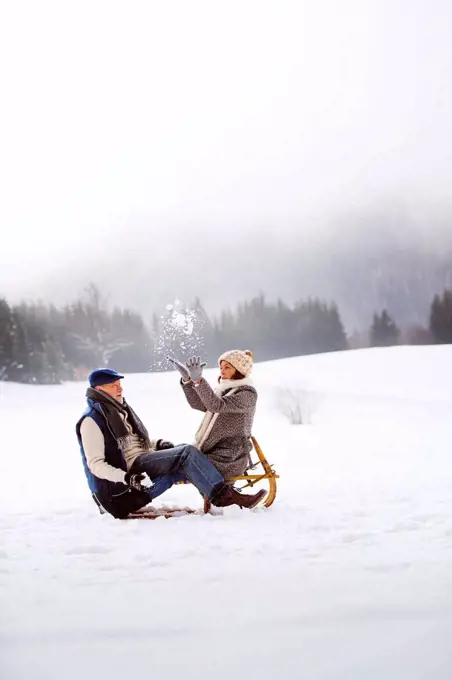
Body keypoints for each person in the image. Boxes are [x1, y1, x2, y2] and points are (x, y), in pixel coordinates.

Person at [76, 367, 266, 519]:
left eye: (119, 384)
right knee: (186, 452)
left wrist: (158, 443)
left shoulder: (117, 410)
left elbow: (132, 441)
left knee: (183, 455)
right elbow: (96, 465)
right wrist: (128, 478)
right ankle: (225, 497)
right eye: (113, 385)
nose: (120, 389)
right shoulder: (92, 420)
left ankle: (213, 493)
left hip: (140, 457)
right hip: (130, 469)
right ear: (99, 389)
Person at [166, 350, 257, 479]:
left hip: (229, 457)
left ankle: (143, 494)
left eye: (227, 367)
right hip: (213, 450)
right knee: (176, 455)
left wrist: (198, 381)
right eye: (221, 367)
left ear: (239, 370)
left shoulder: (247, 394)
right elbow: (199, 404)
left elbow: (216, 405)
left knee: (177, 465)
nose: (222, 370)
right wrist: (187, 380)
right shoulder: (224, 390)